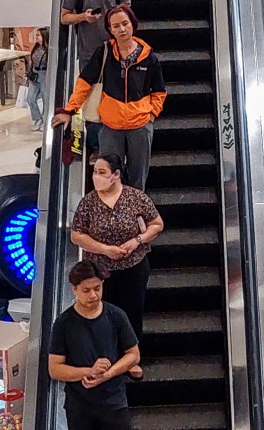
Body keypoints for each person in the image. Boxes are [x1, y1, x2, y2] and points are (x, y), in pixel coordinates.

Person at [53, 5, 166, 190]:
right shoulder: (104, 52)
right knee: (109, 177)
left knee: (138, 179)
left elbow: (159, 91)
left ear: (132, 25)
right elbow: (84, 83)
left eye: (125, 24)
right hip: (111, 126)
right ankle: (112, 214)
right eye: (115, 26)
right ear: (110, 30)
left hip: (140, 125)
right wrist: (69, 110)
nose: (121, 29)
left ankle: (134, 213)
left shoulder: (148, 57)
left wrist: (151, 114)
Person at [70, 152, 163, 373]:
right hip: (101, 271)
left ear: (116, 175)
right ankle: (107, 356)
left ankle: (132, 358)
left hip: (134, 266)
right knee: (103, 313)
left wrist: (136, 240)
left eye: (102, 172)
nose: (96, 177)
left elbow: (156, 224)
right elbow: (77, 235)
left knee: (132, 311)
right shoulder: (88, 203)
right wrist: (105, 249)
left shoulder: (135, 197)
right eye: (95, 172)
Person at [49, 259, 141, 430]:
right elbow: (55, 368)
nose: (93, 295)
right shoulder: (63, 323)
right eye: (86, 290)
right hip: (80, 407)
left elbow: (133, 355)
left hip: (114, 403)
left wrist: (108, 374)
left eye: (97, 288)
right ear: (74, 289)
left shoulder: (116, 315)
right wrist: (88, 371)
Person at [60, 0, 133, 150]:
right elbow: (64, 17)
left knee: (119, 96)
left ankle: (117, 144)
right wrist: (83, 16)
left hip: (118, 50)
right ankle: (95, 147)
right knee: (92, 99)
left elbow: (127, 14)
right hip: (89, 53)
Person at [26, 27, 50, 132]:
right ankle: (37, 118)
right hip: (34, 75)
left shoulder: (48, 49)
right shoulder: (35, 48)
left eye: (38, 35)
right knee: (30, 99)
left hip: (44, 75)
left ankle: (45, 121)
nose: (36, 37)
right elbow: (31, 62)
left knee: (46, 99)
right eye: (36, 35)